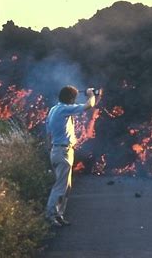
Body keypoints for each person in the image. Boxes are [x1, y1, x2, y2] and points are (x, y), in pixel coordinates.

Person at [45, 86, 96, 227]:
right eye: (74, 98)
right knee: (60, 186)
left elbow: (48, 134)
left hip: (58, 150)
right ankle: (50, 215)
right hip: (62, 151)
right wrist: (91, 94)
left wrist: (51, 149)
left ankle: (58, 215)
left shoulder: (53, 109)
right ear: (71, 99)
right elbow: (89, 105)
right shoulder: (63, 109)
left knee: (66, 186)